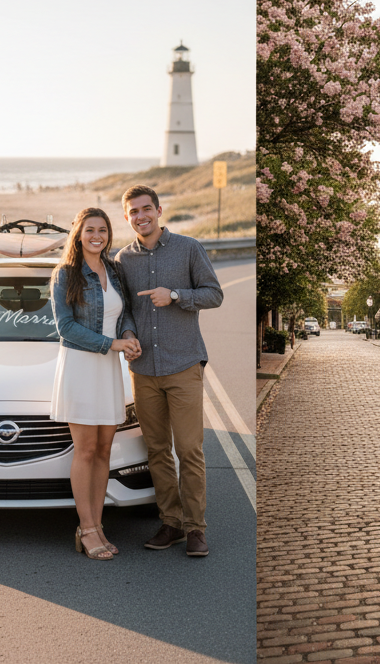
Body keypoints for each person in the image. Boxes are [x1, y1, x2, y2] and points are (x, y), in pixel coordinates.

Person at [114, 185, 223, 557]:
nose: (141, 216)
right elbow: (124, 308)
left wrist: (176, 295)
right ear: (126, 217)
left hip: (183, 364)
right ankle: (171, 523)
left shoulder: (189, 249)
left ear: (159, 211)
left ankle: (196, 528)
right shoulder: (122, 260)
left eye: (147, 209)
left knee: (189, 449)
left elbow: (214, 294)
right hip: (143, 369)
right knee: (157, 450)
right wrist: (128, 331)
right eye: (133, 212)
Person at [49, 207, 143, 561]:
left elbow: (125, 313)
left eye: (102, 230)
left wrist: (129, 336)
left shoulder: (115, 270)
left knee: (104, 450)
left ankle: (99, 524)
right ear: (78, 233)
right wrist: (112, 345)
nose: (97, 236)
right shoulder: (65, 275)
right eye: (90, 230)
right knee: (85, 450)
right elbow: (66, 328)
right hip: (81, 366)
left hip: (109, 370)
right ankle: (86, 528)